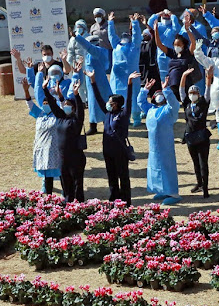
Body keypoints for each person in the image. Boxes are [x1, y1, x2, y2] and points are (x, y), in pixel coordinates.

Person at [87, 67, 137, 205]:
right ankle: (114, 198)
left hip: (120, 151)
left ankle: (126, 201)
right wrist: (92, 81)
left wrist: (129, 84)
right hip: (108, 150)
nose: (108, 104)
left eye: (111, 102)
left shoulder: (123, 115)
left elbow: (129, 101)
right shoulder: (108, 113)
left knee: (123, 177)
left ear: (117, 105)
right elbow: (98, 98)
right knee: (112, 176)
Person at [42, 72, 86, 203]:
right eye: (64, 104)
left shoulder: (76, 120)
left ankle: (79, 204)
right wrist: (45, 89)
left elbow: (81, 110)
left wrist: (77, 95)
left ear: (73, 108)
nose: (65, 106)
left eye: (68, 105)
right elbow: (53, 104)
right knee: (65, 181)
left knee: (77, 183)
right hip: (62, 157)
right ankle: (68, 202)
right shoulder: (60, 117)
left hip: (76, 157)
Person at [137, 76, 181, 205]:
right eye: (156, 95)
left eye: (161, 95)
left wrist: (166, 89)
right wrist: (145, 90)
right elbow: (140, 102)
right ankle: (161, 189)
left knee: (167, 167)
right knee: (155, 167)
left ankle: (173, 193)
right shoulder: (150, 109)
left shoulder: (168, 111)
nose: (158, 96)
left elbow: (174, 103)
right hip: (154, 147)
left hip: (165, 145)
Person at [21, 78, 61, 194]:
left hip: (53, 148)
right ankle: (47, 192)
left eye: (47, 103)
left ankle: (65, 192)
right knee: (45, 171)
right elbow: (29, 103)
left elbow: (63, 105)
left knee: (57, 171)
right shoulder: (40, 114)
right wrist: (26, 91)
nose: (45, 105)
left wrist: (58, 93)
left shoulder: (57, 114)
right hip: (41, 147)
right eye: (43, 103)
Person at [180, 68, 211, 198]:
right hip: (190, 137)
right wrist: (183, 75)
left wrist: (208, 77)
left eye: (195, 93)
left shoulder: (203, 103)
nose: (193, 94)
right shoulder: (187, 103)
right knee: (195, 162)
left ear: (198, 94)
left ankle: (205, 188)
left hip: (202, 137)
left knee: (203, 163)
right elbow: (181, 91)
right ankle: (199, 183)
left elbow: (208, 89)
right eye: (191, 92)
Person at [109, 12, 143, 126]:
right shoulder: (116, 46)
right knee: (119, 98)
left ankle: (136, 118)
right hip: (118, 79)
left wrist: (135, 23)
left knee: (134, 96)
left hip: (132, 77)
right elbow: (112, 36)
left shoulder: (134, 46)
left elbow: (137, 36)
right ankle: (124, 118)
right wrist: (110, 22)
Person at [153, 18, 200, 101]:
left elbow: (193, 43)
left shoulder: (188, 53)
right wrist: (156, 30)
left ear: (183, 45)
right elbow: (159, 44)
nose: (176, 46)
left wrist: (188, 30)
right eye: (175, 44)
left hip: (185, 84)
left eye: (178, 44)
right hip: (172, 84)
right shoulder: (172, 53)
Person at [74, 33, 112, 135]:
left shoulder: (98, 51)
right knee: (92, 104)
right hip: (91, 83)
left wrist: (77, 37)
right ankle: (93, 126)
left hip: (100, 82)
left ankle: (107, 125)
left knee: (103, 102)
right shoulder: (89, 54)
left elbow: (88, 47)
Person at [147, 10, 181, 83]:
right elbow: (149, 23)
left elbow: (176, 29)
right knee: (163, 78)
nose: (165, 18)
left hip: (171, 54)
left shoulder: (173, 27)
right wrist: (158, 14)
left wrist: (172, 15)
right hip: (160, 55)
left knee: (173, 76)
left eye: (167, 17)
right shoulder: (158, 26)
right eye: (164, 17)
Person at [66, 20, 90, 103]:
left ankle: (89, 99)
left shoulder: (89, 37)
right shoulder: (73, 39)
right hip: (77, 63)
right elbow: (70, 52)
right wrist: (69, 63)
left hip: (87, 62)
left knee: (88, 81)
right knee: (79, 82)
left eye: (80, 27)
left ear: (84, 28)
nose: (79, 29)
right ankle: (82, 101)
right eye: (77, 27)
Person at [138, 24, 162, 97]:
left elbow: (153, 35)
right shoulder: (139, 44)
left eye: (146, 34)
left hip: (151, 68)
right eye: (143, 34)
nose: (144, 36)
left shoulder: (152, 44)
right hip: (142, 68)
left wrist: (146, 25)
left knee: (153, 86)